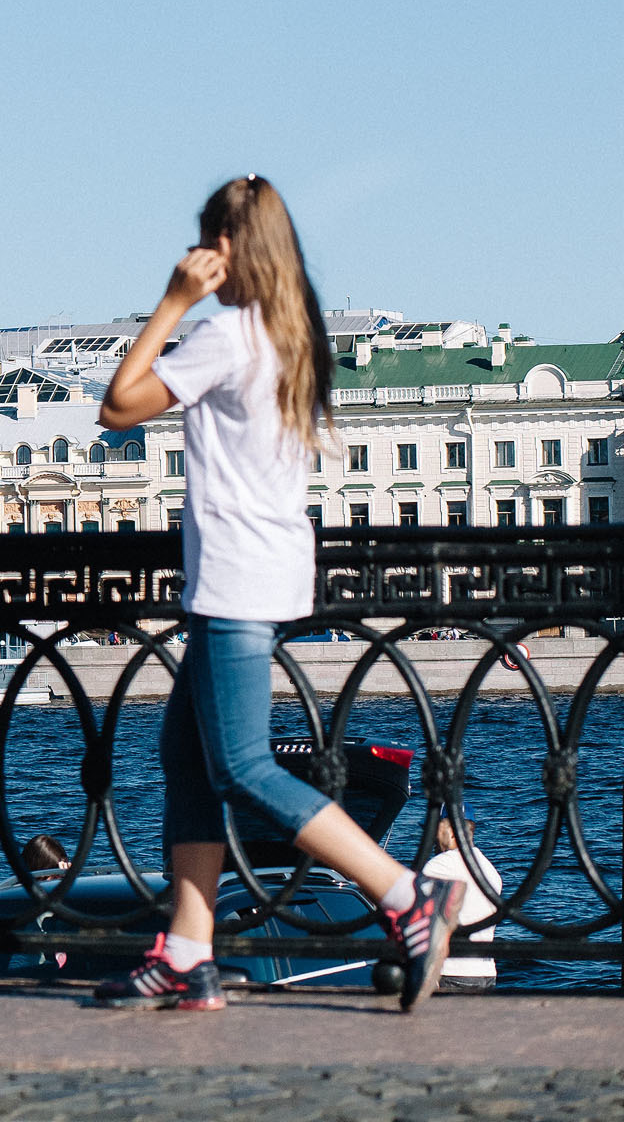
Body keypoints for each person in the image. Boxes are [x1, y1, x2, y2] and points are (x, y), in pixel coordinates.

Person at [93, 175, 465, 1013]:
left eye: (205, 242)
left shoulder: (228, 335)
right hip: (257, 568)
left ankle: (405, 894)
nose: (195, 255)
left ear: (228, 249)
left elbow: (118, 406)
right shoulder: (292, 334)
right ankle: (188, 952)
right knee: (186, 759)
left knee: (242, 766)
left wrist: (170, 300)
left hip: (232, 575)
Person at [421, 811, 501, 990]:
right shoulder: (490, 871)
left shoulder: (440, 865)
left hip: (451, 971)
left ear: (450, 832)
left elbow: (418, 915)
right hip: (485, 972)